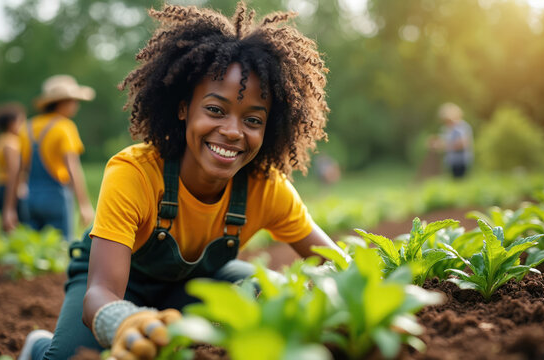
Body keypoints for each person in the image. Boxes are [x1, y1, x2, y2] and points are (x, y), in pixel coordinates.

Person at [18, 3, 343, 360]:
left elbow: (334, 261)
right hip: (119, 287)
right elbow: (100, 293)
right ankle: (38, 348)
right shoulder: (135, 173)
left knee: (269, 290)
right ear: (184, 108)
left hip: (196, 287)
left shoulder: (266, 188)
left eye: (252, 120)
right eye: (215, 110)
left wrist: (329, 293)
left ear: (270, 126)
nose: (233, 132)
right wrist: (125, 323)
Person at [4, 75, 95, 240]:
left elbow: (16, 170)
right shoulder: (64, 127)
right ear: (62, 102)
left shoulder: (27, 128)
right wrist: (84, 204)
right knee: (60, 250)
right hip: (56, 198)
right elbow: (73, 168)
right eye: (73, 101)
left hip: (30, 198)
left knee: (34, 250)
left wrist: (9, 209)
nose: (76, 105)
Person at [0, 102, 29, 232]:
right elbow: (14, 174)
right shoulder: (12, 143)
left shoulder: (0, 140)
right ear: (11, 123)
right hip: (10, 191)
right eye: (21, 121)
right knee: (16, 231)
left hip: (0, 188)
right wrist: (10, 209)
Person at [428, 102, 474, 179]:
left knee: (459, 183)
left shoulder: (462, 127)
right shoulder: (447, 129)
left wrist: (444, 145)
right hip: (451, 161)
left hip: (461, 162)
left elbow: (462, 144)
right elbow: (443, 141)